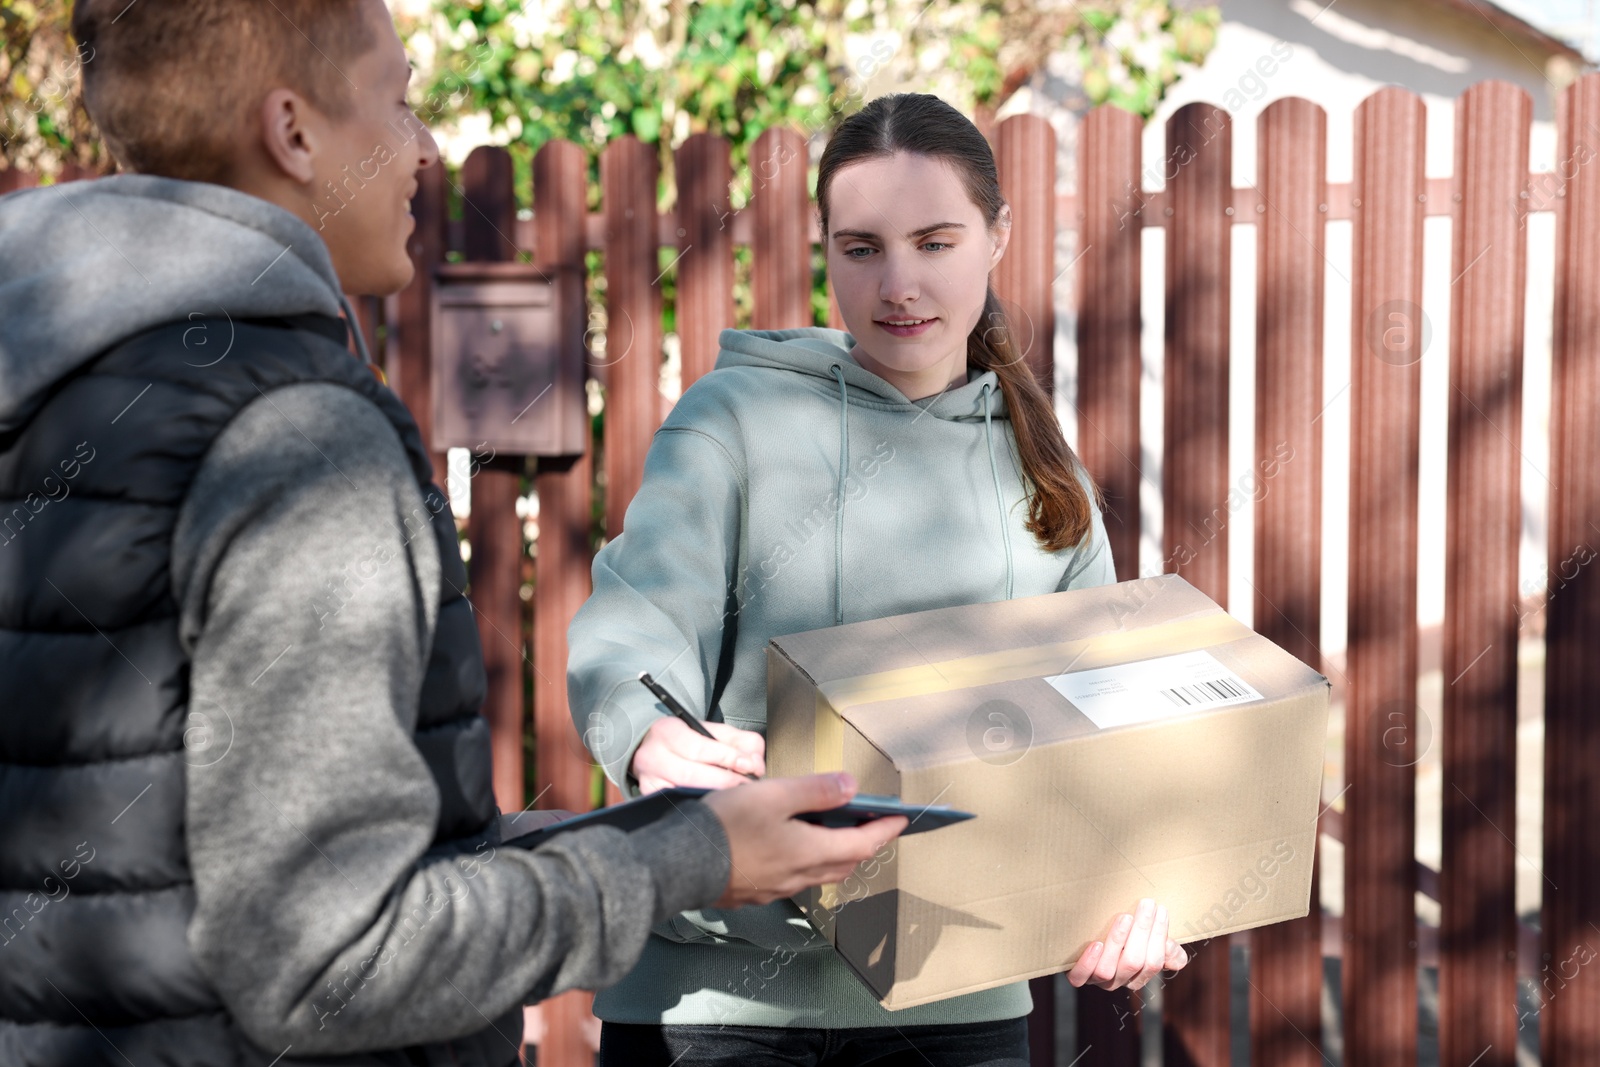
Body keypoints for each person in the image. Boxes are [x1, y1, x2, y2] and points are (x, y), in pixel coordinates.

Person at [0, 3, 905, 1065]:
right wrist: (688, 859)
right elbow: (333, 963)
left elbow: (181, 858)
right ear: (293, 133)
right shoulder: (296, 437)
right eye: (400, 100)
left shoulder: (56, 391)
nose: (425, 146)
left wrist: (647, 838)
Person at [567, 92, 1191, 1067]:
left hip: (956, 1002)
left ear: (997, 238)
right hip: (709, 1007)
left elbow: (1097, 739)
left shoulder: (1041, 474)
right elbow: (640, 612)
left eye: (934, 242)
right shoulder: (731, 418)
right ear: (824, 249)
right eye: (860, 248)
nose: (898, 283)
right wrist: (650, 731)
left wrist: (1134, 893)